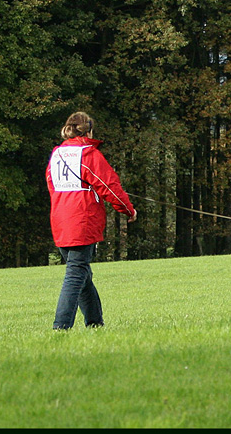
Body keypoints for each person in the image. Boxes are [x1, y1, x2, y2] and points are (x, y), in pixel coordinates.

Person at [45, 112, 137, 330]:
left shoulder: (56, 155)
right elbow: (109, 186)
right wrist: (128, 210)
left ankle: (95, 323)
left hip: (60, 221)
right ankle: (61, 327)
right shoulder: (88, 154)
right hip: (82, 222)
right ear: (89, 130)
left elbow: (51, 186)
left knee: (82, 273)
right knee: (76, 275)